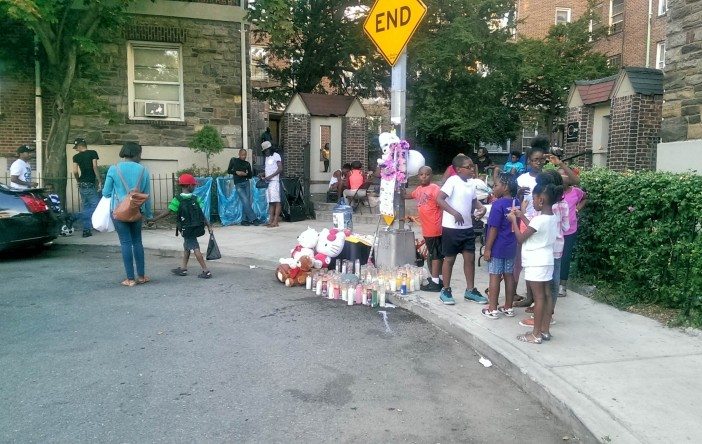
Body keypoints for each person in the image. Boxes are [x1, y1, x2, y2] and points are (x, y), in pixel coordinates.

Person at [507, 181, 561, 344]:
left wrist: (514, 222)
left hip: (535, 262)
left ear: (540, 200)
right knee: (546, 295)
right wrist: (522, 216)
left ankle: (535, 334)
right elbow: (535, 229)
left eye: (533, 199)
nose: (532, 202)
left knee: (538, 298)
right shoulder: (552, 217)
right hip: (547, 260)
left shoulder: (539, 220)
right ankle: (545, 330)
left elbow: (521, 238)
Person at [519, 170, 568, 329]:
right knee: (549, 288)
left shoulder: (542, 214)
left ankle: (538, 325)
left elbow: (526, 234)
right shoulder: (559, 208)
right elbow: (566, 226)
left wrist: (516, 219)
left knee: (541, 294)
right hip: (554, 249)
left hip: (539, 254)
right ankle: (545, 323)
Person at [436, 154, 487, 305]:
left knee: (470, 259)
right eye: (468, 167)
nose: (472, 169)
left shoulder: (471, 183)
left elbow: (473, 201)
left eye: (473, 166)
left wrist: (481, 208)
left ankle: (470, 290)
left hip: (467, 227)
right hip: (451, 228)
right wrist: (454, 213)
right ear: (458, 169)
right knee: (449, 259)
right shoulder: (453, 181)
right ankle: (445, 290)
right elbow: (439, 198)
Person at [102, 142, 152, 287]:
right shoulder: (144, 170)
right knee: (137, 242)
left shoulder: (114, 169)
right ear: (137, 154)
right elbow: (147, 196)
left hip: (119, 212)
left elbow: (105, 192)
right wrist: (148, 215)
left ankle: (130, 279)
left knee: (125, 243)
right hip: (137, 211)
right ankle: (142, 276)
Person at [149, 174, 214, 279]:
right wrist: (209, 226)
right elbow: (202, 214)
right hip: (196, 227)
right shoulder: (196, 198)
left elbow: (169, 211)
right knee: (187, 247)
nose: (195, 187)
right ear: (188, 186)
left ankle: (206, 271)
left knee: (194, 247)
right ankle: (183, 268)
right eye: (194, 185)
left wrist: (154, 219)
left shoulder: (177, 199)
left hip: (185, 228)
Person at [513, 139, 548, 307]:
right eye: (535, 159)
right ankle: (529, 296)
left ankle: (539, 298)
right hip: (525, 221)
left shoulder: (548, 177)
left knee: (539, 259)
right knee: (525, 259)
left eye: (542, 159)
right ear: (528, 161)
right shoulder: (522, 179)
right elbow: (516, 202)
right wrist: (519, 193)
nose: (539, 162)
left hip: (543, 222)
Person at [482, 172, 519, 319]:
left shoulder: (497, 205)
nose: (493, 188)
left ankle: (492, 309)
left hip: (497, 247)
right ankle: (509, 307)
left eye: (496, 185)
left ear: (505, 187)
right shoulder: (516, 202)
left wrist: (488, 248)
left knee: (495, 277)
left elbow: (493, 228)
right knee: (509, 276)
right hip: (511, 246)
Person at [405, 166, 443, 292]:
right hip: (426, 228)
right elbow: (410, 195)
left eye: (426, 174)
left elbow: (442, 203)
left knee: (435, 255)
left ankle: (436, 281)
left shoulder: (435, 189)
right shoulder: (419, 189)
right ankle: (438, 278)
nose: (424, 177)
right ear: (418, 176)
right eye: (421, 174)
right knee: (433, 254)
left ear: (431, 175)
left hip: (435, 227)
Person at [559, 165, 587, 297]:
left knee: (565, 258)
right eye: (559, 176)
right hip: (554, 230)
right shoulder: (554, 192)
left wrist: (577, 209)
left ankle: (562, 285)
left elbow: (584, 198)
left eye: (564, 175)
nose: (562, 178)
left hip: (570, 230)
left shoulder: (576, 192)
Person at [72, 137, 102, 237]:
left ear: (80, 146)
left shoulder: (76, 157)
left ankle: (86, 230)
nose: (76, 149)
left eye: (76, 147)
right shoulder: (93, 153)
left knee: (86, 207)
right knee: (96, 206)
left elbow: (75, 171)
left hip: (82, 184)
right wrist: (99, 180)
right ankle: (75, 216)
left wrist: (78, 181)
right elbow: (94, 167)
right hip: (90, 183)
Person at [227, 148, 260, 226]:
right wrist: (236, 172)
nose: (244, 156)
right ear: (239, 154)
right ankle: (254, 219)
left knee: (247, 202)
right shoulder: (234, 160)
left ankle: (244, 220)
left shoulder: (247, 164)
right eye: (242, 155)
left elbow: (250, 175)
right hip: (238, 184)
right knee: (245, 200)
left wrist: (245, 174)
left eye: (245, 155)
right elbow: (229, 170)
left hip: (246, 183)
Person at [260, 141, 282, 227]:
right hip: (268, 182)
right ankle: (270, 220)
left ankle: (275, 221)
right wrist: (263, 175)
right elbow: (269, 170)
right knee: (271, 202)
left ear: (270, 149)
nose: (265, 152)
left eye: (266, 150)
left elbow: (280, 169)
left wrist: (270, 177)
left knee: (277, 201)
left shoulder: (276, 155)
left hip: (274, 182)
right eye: (264, 151)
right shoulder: (267, 158)